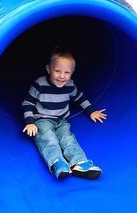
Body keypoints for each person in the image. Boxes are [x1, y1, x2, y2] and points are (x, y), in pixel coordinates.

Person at [22, 48, 107, 180]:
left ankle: (79, 163)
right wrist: (30, 122)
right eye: (57, 71)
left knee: (68, 139)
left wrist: (91, 111)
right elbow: (27, 103)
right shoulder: (40, 84)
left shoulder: (70, 85)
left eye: (67, 72)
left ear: (72, 73)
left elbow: (80, 97)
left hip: (61, 120)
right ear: (49, 69)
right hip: (42, 119)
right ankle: (58, 163)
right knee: (48, 138)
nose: (62, 76)